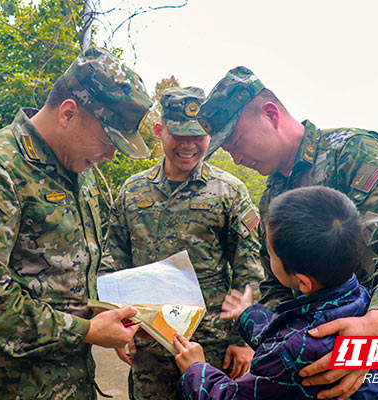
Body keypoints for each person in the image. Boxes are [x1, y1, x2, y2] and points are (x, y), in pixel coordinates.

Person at [195, 66, 378, 400]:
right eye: (227, 150)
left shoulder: (353, 153)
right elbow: (275, 284)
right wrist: (284, 347)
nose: (237, 157)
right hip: (321, 365)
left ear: (270, 114)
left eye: (236, 141)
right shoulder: (273, 196)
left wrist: (377, 327)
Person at [0, 46, 153, 399]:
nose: (111, 155)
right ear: (68, 113)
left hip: (74, 384)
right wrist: (86, 331)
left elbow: (78, 271)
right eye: (108, 139)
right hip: (6, 389)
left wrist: (112, 320)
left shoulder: (82, 174)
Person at [175, 186, 378, 399]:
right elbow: (282, 332)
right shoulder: (365, 303)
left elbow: (233, 395)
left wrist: (197, 370)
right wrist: (246, 313)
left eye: (271, 254)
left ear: (303, 282)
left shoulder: (292, 353)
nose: (269, 258)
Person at [100, 86, 265, 400]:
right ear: (160, 131)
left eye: (199, 136)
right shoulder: (132, 191)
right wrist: (120, 325)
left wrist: (245, 341)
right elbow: (114, 263)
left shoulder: (229, 191)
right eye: (179, 135)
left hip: (212, 347)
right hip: (148, 344)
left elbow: (250, 270)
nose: (189, 145)